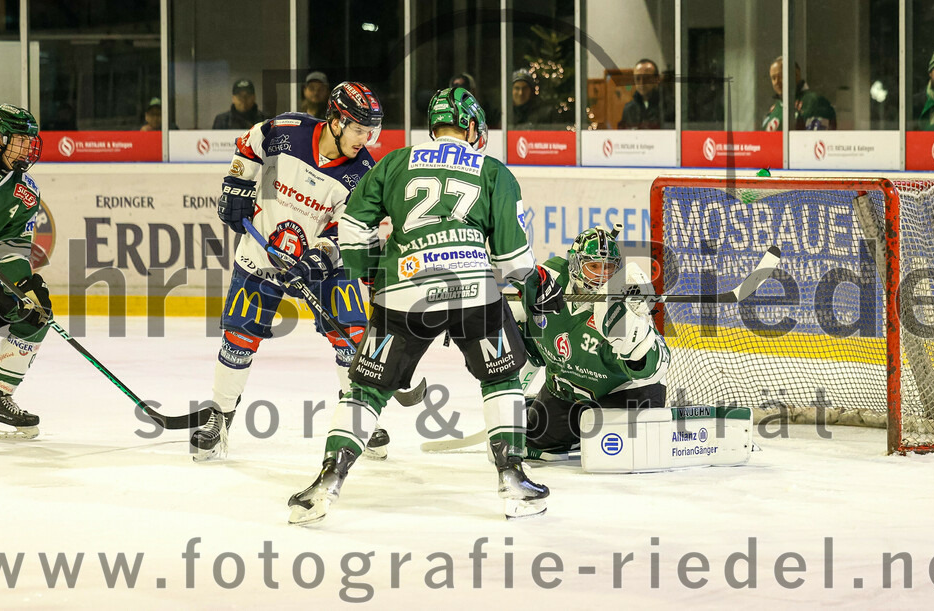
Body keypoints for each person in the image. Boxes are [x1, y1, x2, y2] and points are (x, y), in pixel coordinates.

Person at [286, 87, 565, 524]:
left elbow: (354, 224)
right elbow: (513, 261)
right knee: (503, 377)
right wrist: (534, 282)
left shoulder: (397, 161)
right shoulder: (493, 170)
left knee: (368, 389)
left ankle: (328, 478)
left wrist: (369, 275)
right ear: (472, 127)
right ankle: (513, 478)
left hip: (403, 289)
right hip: (473, 290)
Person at [192, 82, 388, 461]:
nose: (366, 140)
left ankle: (359, 411)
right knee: (239, 337)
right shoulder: (288, 131)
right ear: (336, 120)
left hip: (323, 263)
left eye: (371, 132)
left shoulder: (363, 172)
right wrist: (236, 183)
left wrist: (319, 258)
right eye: (359, 129)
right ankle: (219, 415)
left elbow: (348, 229)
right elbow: (251, 141)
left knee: (351, 331)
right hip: (262, 251)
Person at [513, 226, 670, 457]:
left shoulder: (626, 296)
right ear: (575, 265)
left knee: (614, 453)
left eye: (609, 267)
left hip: (622, 392)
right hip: (566, 388)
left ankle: (592, 432)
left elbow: (656, 369)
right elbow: (528, 347)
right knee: (537, 442)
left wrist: (634, 331)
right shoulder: (550, 280)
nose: (602, 275)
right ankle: (574, 432)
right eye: (594, 266)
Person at [0, 104, 50, 440]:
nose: (26, 148)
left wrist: (26, 283)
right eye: (19, 140)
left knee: (35, 316)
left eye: (28, 141)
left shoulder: (26, 192)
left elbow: (14, 246)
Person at [762, 57, 836, 131]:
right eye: (773, 78)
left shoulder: (813, 101)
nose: (776, 82)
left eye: (781, 76)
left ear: (796, 74)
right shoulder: (775, 108)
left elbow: (816, 139)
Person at [618, 58, 674, 129]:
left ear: (657, 79)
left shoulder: (670, 106)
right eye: (638, 79)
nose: (641, 83)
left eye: (646, 78)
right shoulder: (629, 109)